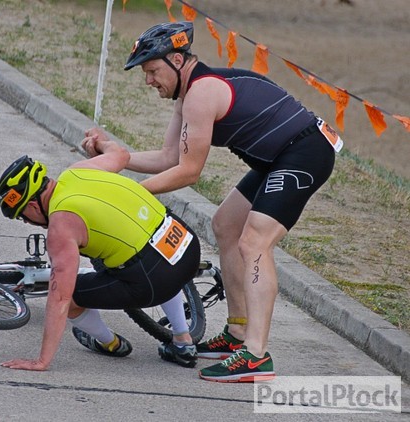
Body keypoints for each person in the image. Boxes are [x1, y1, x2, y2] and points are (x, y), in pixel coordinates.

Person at [82, 21, 341, 382]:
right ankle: (237, 333)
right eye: (145, 73)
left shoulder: (202, 93)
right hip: (278, 157)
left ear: (176, 60)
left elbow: (188, 172)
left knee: (254, 243)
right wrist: (116, 155)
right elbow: (169, 158)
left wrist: (129, 194)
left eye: (153, 70)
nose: (149, 81)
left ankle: (255, 356)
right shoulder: (189, 96)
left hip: (305, 153)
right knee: (225, 225)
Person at [0, 141, 201, 371]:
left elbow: (61, 299)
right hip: (186, 245)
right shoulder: (78, 171)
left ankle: (111, 344)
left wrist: (41, 360)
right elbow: (121, 155)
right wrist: (99, 142)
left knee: (72, 296)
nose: (26, 221)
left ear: (32, 204)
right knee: (149, 250)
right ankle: (183, 342)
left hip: (155, 280)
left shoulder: (60, 224)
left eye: (21, 215)